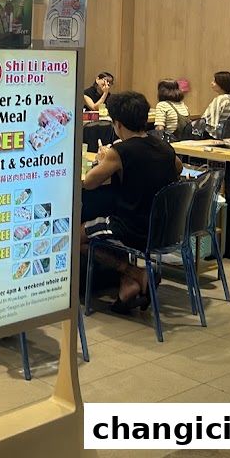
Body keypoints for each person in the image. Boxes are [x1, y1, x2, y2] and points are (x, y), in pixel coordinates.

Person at [81, 91, 183, 312]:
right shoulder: (164, 147)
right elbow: (178, 167)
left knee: (74, 236)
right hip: (164, 228)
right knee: (106, 220)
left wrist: (103, 161)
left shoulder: (120, 151)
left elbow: (88, 182)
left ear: (117, 123)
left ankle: (132, 272)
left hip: (132, 228)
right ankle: (128, 287)